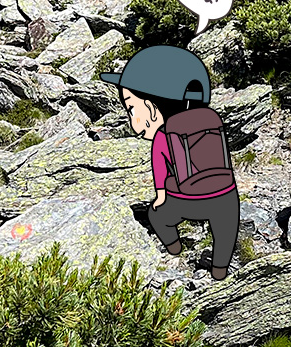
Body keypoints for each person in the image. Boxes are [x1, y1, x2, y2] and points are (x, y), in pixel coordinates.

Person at [101, 45, 239, 280]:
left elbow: (161, 167)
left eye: (132, 107)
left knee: (158, 215)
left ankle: (174, 248)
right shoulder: (212, 121)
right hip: (226, 195)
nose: (131, 117)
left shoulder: (163, 136)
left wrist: (161, 195)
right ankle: (219, 269)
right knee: (226, 229)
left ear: (153, 110)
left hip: (188, 200)